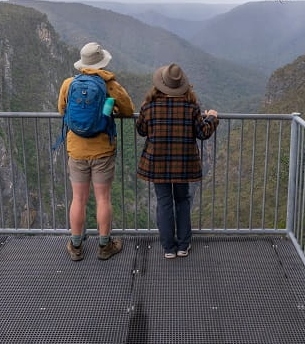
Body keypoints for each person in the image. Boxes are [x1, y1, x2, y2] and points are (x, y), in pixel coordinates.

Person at [58, 41, 135, 261]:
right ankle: (104, 245)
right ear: (101, 62)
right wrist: (112, 109)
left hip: (76, 149)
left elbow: (62, 109)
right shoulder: (109, 85)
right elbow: (129, 110)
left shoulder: (68, 83)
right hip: (102, 150)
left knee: (78, 199)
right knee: (103, 199)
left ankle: (76, 246)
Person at [135, 63, 219, 259]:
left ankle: (168, 248)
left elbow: (141, 130)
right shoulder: (191, 107)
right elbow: (202, 133)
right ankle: (183, 245)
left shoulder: (149, 106)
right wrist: (212, 118)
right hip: (183, 163)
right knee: (182, 201)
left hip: (158, 163)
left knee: (164, 202)